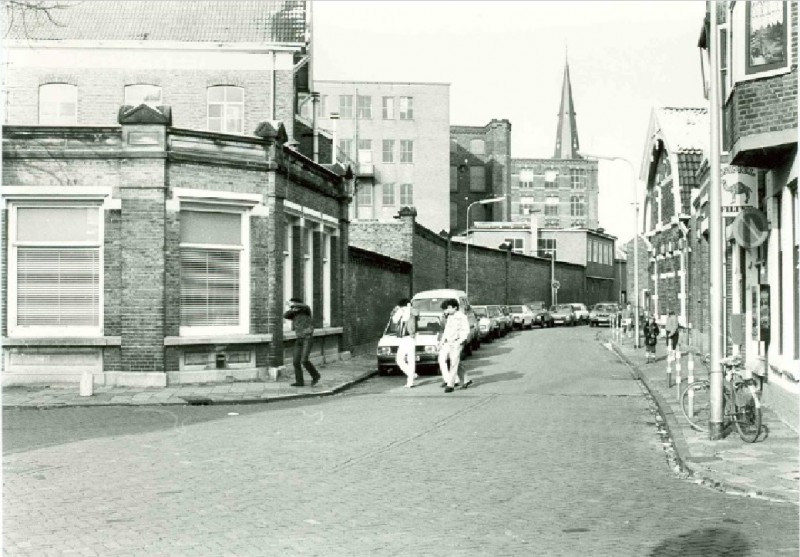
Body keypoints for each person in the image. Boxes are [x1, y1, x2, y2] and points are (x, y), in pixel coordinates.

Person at [283, 297, 321, 387]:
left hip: (307, 338)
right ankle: (299, 382)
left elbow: (303, 306)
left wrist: (292, 305)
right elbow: (285, 315)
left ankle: (316, 375)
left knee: (304, 360)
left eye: (295, 305)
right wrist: (292, 309)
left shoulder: (306, 310)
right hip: (299, 339)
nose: (293, 307)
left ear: (298, 305)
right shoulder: (294, 314)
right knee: (296, 362)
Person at [437, 298, 472, 393]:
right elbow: (446, 331)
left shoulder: (462, 317)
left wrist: (460, 341)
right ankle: (466, 380)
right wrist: (442, 342)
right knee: (456, 362)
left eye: (449, 308)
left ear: (455, 308)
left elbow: (466, 330)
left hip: (457, 342)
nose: (447, 310)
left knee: (453, 363)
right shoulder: (450, 317)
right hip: (449, 342)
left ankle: (450, 385)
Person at [391, 298, 419, 388]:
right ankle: (411, 375)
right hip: (405, 338)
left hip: (409, 337)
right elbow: (393, 319)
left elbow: (416, 313)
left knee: (407, 359)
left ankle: (410, 381)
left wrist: (406, 308)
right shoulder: (403, 313)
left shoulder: (409, 312)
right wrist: (397, 310)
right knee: (402, 359)